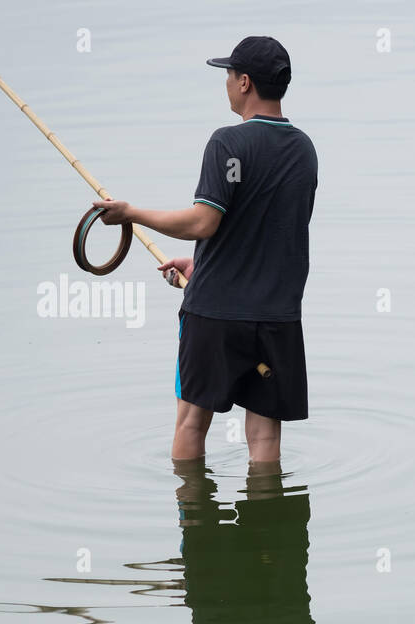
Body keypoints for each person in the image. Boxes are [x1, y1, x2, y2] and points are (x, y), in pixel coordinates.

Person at [92, 36, 318, 463]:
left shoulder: (227, 144)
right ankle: (266, 526)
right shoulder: (304, 150)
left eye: (229, 74)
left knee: (191, 423)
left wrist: (131, 213)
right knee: (266, 437)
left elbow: (204, 221)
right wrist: (202, 266)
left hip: (215, 317)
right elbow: (270, 233)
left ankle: (195, 523)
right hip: (276, 319)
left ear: (245, 82)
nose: (227, 83)